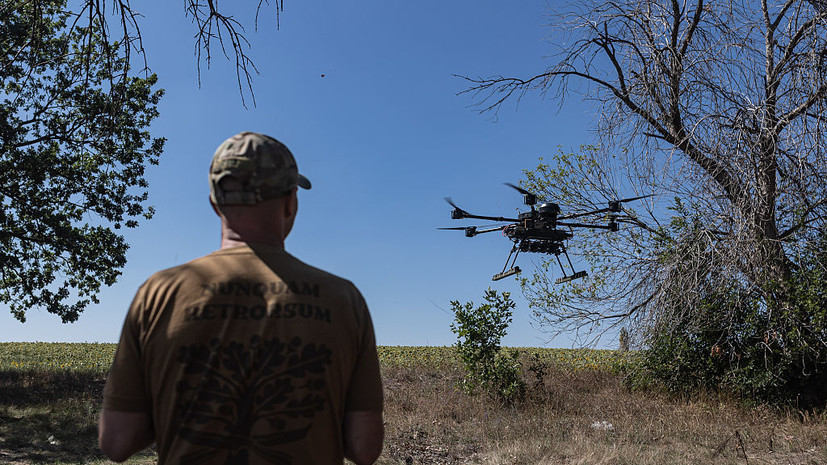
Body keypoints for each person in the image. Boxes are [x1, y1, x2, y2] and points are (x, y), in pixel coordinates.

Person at [98, 132, 384, 465]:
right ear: (291, 200)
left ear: (215, 203)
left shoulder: (158, 293)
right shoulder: (344, 299)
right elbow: (365, 447)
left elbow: (117, 441)